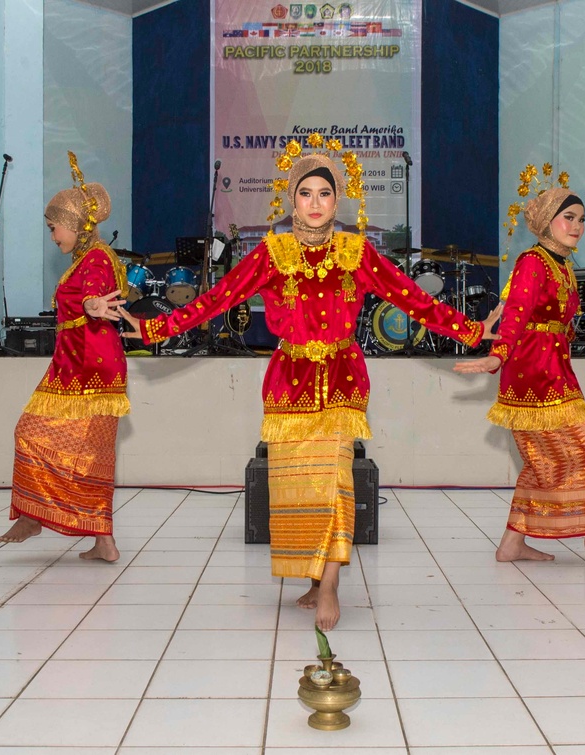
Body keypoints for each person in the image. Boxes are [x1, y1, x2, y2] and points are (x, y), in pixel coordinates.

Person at [124, 137, 502, 629]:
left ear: (336, 200)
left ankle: (330, 587)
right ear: (291, 199)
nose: (316, 203)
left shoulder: (356, 251)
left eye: (325, 193)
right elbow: (214, 299)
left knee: (334, 482)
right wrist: (154, 327)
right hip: (289, 382)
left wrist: (472, 330)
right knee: (297, 489)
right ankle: (310, 577)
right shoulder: (271, 253)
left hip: (343, 381)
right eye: (307, 193)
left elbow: (413, 299)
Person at [454, 183, 585, 561]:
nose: (577, 226)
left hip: (555, 371)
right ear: (547, 222)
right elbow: (517, 314)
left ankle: (512, 546)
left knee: (543, 464)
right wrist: (498, 354)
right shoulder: (533, 261)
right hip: (532, 376)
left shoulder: (563, 266)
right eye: (568, 218)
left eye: (581, 220)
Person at [0, 153, 131, 562]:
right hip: (71, 363)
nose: (52, 234)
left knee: (84, 451)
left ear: (73, 224)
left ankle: (91, 535)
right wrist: (86, 306)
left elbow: (94, 294)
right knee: (45, 438)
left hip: (91, 366)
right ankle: (47, 518)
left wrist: (90, 305)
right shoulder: (83, 259)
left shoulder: (96, 259)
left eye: (54, 227)